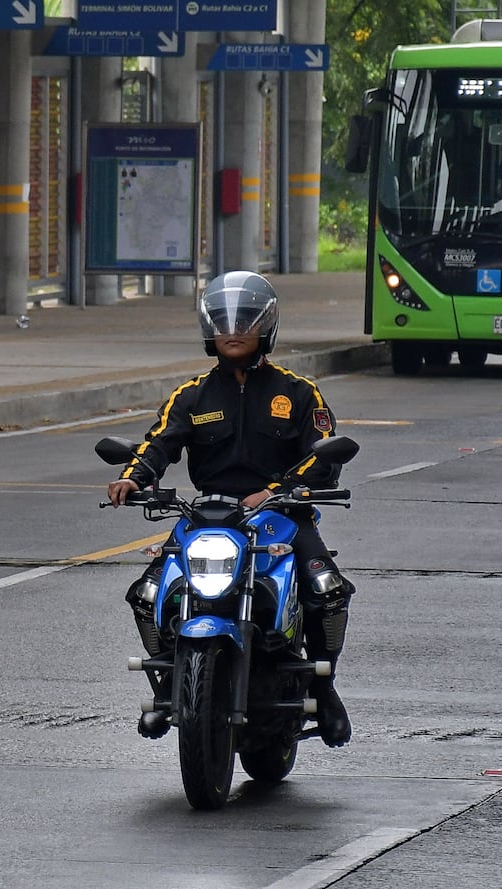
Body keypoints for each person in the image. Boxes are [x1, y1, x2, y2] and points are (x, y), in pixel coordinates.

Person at [105, 270, 356, 747]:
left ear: (266, 327)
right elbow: (158, 444)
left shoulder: (300, 393)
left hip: (283, 512)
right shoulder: (192, 395)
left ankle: (325, 690)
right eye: (222, 322)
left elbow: (322, 456)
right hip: (208, 518)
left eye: (244, 322)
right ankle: (167, 687)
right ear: (208, 330)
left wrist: (280, 489)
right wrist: (132, 477)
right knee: (145, 593)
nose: (233, 331)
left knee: (327, 587)